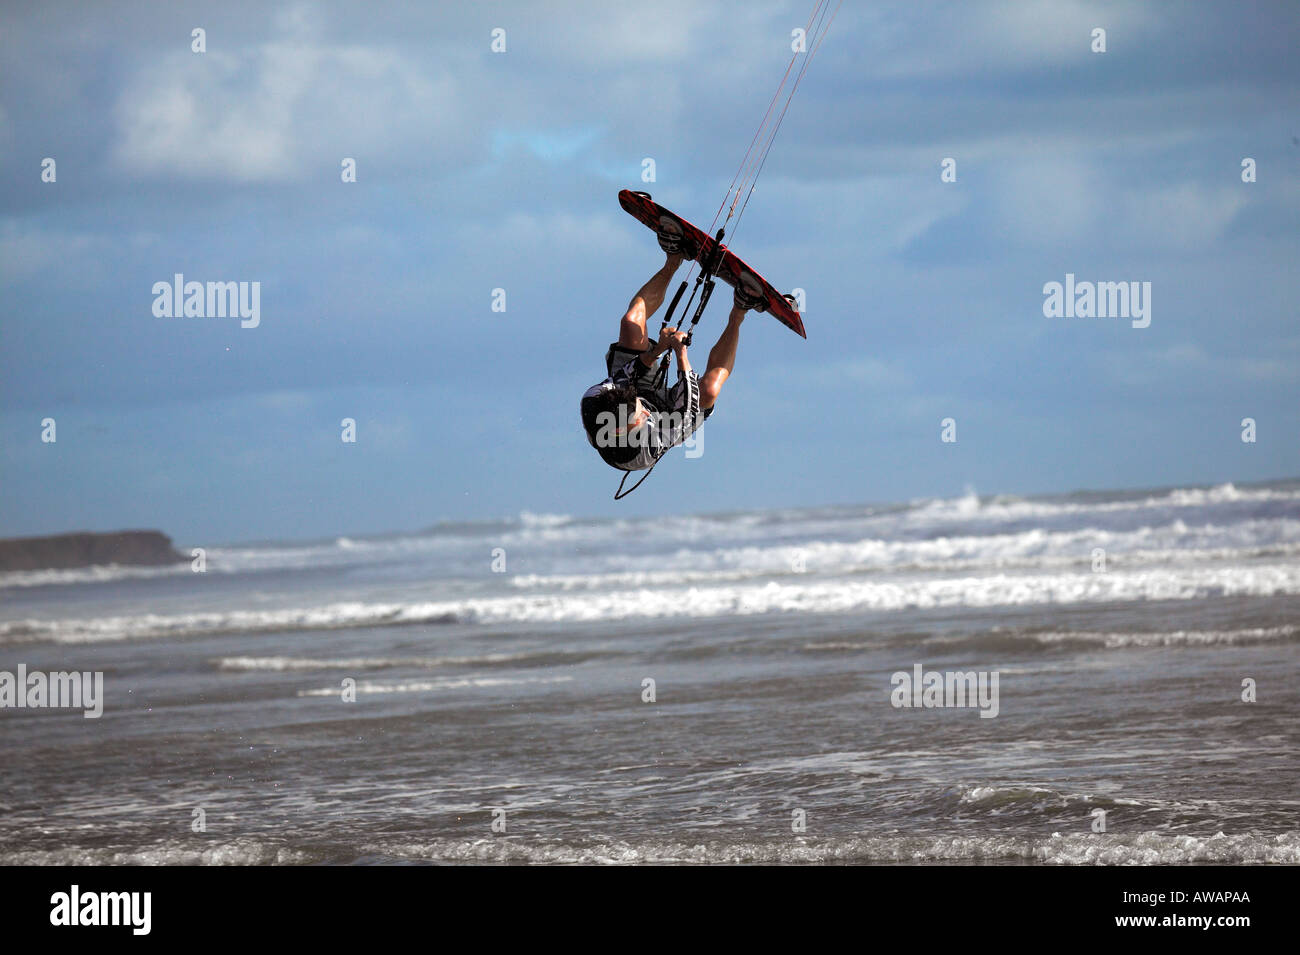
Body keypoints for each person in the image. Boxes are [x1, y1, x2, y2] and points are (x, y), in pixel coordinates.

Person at [580, 220, 767, 474]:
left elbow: (626, 376)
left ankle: (674, 259)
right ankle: (740, 310)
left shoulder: (595, 398)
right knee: (710, 390)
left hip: (632, 393)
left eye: (638, 408)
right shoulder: (649, 442)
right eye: (640, 416)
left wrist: (657, 350)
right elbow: (688, 408)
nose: (643, 413)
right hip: (671, 415)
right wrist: (680, 353)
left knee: (631, 324)